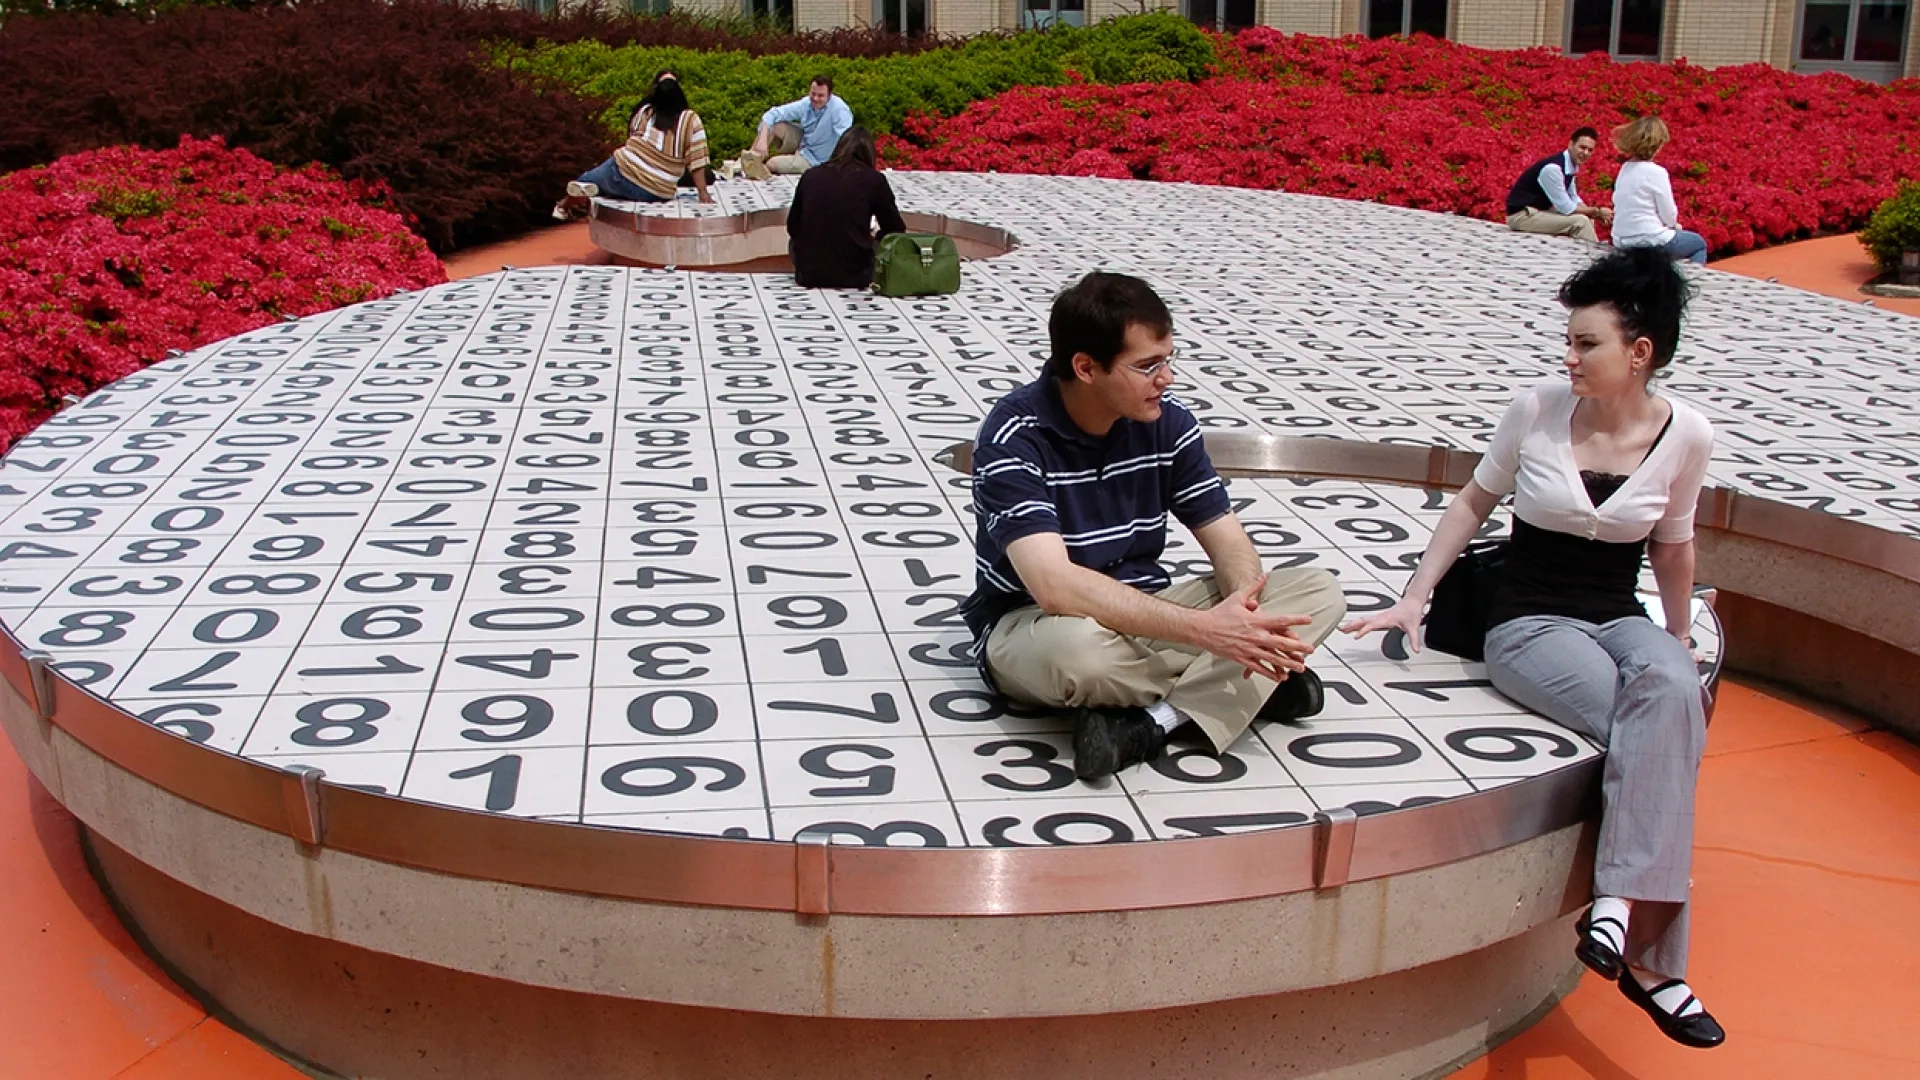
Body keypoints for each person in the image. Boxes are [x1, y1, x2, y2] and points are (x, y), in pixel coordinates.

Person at [1342, 247, 1723, 1050]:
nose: (1569, 357)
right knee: (1660, 730)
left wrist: (1679, 637)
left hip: (1619, 615)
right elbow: (1473, 503)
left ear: (1639, 352)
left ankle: (1614, 909)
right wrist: (1414, 597)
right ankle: (1648, 955)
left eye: (1587, 343)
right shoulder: (1538, 409)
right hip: (1529, 624)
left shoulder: (1687, 433)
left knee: (1673, 689)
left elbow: (1673, 547)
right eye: (1569, 341)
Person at [961, 271, 1347, 783]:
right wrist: (1210, 634)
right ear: (1086, 367)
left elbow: (1229, 542)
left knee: (1319, 591)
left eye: (1168, 359)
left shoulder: (1168, 423)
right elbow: (1055, 587)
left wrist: (1244, 613)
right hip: (1037, 621)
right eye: (1147, 366)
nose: (1167, 378)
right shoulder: (1014, 435)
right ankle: (1243, 688)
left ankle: (1154, 722)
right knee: (1079, 657)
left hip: (1145, 608)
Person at [554, 71, 712, 219]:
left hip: (622, 171)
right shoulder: (691, 120)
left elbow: (632, 136)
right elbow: (697, 160)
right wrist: (703, 193)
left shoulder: (646, 111)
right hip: (657, 191)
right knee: (615, 186)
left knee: (586, 180)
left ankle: (563, 207)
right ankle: (600, 190)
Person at [785, 127, 907, 289]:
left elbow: (793, 226)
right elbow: (896, 230)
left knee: (795, 242)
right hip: (857, 275)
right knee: (879, 246)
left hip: (809, 274)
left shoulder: (811, 176)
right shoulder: (874, 180)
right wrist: (876, 235)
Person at [1609, 116, 1709, 265]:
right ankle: (1691, 276)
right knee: (1698, 244)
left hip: (1621, 239)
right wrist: (1674, 226)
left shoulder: (1625, 169)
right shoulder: (1657, 172)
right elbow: (1669, 215)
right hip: (1649, 239)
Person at [1506, 127, 1613, 243]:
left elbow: (1573, 198)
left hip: (1537, 211)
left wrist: (1594, 214)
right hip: (1522, 216)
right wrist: (1597, 211)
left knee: (1587, 218)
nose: (1585, 153)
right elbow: (1566, 208)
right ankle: (1594, 252)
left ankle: (1586, 249)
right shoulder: (1553, 169)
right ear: (1571, 145)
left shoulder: (1569, 167)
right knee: (1581, 222)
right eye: (1582, 147)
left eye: (1590, 150)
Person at [739, 75, 853, 181]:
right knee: (775, 125)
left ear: (830, 95)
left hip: (816, 160)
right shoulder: (806, 103)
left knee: (771, 164)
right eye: (813, 94)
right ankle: (750, 160)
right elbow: (772, 114)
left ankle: (757, 170)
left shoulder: (839, 110)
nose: (815, 98)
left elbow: (847, 139)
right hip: (805, 143)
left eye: (820, 95)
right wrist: (763, 139)